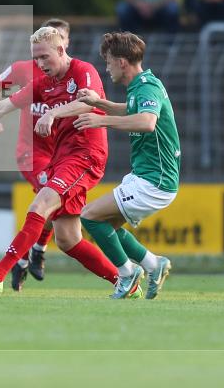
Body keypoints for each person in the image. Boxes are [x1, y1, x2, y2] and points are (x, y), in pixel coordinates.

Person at [0, 27, 121, 296]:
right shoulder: (42, 84)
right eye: (35, 58)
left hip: (87, 155)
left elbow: (90, 103)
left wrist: (52, 114)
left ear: (61, 50)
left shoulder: (83, 70)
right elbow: (2, 106)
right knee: (68, 239)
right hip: (62, 157)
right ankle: (124, 281)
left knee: (40, 203)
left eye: (45, 57)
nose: (40, 64)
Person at [75, 32, 180, 299]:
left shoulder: (146, 86)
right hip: (146, 176)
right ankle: (154, 264)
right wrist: (99, 104)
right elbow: (130, 110)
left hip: (155, 180)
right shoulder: (139, 87)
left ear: (122, 62)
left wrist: (100, 121)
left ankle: (127, 273)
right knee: (105, 224)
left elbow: (146, 122)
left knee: (89, 216)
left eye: (109, 62)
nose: (106, 68)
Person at [0, 19, 70, 291]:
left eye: (65, 40)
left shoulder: (71, 74)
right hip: (30, 153)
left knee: (52, 206)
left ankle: (28, 257)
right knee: (48, 199)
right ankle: (36, 252)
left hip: (60, 154)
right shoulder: (24, 69)